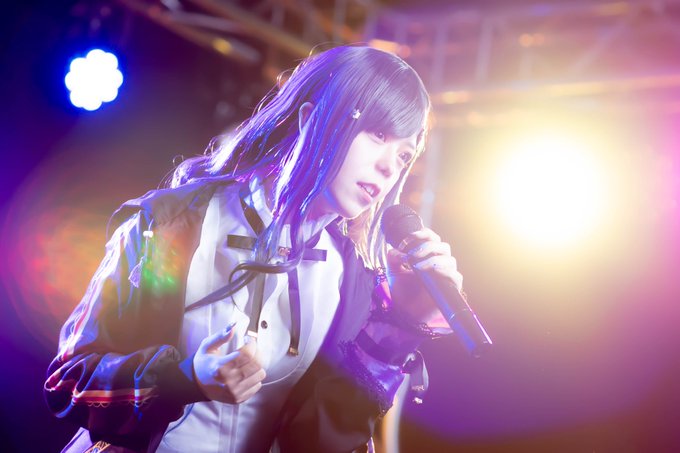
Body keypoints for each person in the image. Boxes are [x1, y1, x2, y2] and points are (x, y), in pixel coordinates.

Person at [44, 44, 462, 453]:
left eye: (404, 156)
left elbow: (324, 441)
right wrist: (185, 377)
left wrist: (400, 325)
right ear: (311, 119)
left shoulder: (352, 278)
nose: (389, 167)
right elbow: (68, 382)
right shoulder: (171, 225)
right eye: (378, 134)